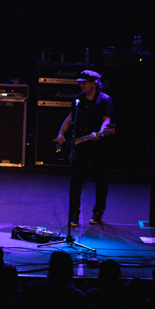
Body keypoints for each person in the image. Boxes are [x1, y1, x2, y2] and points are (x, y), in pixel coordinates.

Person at [55, 70, 113, 227]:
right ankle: (74, 214)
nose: (80, 85)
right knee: (76, 180)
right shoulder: (78, 99)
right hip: (80, 145)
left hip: (98, 146)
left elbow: (106, 122)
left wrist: (101, 132)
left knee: (100, 180)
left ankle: (98, 212)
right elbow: (69, 119)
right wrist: (61, 133)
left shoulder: (105, 100)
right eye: (80, 82)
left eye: (84, 82)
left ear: (94, 83)